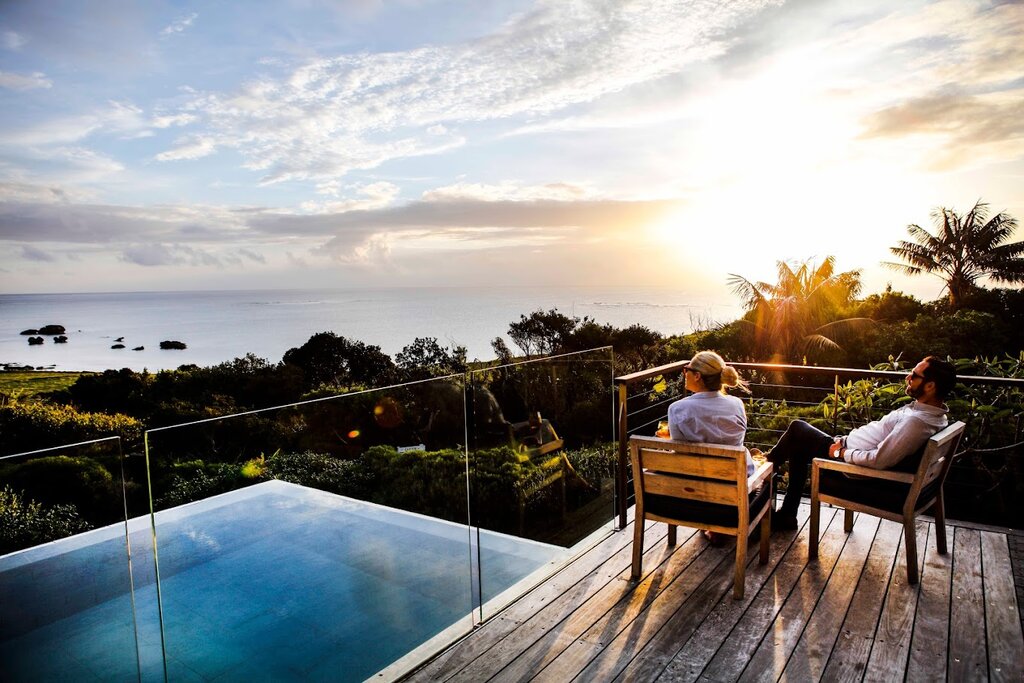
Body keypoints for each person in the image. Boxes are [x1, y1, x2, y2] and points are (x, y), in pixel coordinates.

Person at [767, 356, 956, 531]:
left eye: (914, 375)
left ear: (930, 385)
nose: (908, 377)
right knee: (798, 443)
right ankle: (786, 513)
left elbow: (879, 460)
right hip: (849, 449)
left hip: (855, 470)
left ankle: (761, 475)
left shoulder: (916, 423)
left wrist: (840, 453)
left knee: (797, 430)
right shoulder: (936, 415)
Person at [666, 350, 756, 476]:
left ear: (697, 376)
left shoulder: (677, 409)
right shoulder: (737, 404)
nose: (685, 374)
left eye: (687, 369)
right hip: (735, 479)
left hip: (695, 482)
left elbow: (679, 452)